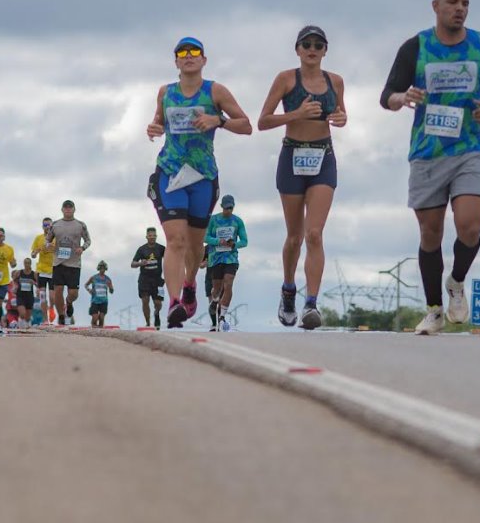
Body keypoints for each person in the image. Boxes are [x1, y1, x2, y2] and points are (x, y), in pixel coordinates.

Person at [380, 0, 480, 335]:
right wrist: (403, 97)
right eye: (453, 2)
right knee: (430, 233)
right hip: (428, 151)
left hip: (470, 148)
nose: (460, 9)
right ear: (435, 6)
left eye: (465, 3)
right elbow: (387, 95)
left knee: (471, 224)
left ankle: (456, 281)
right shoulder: (415, 47)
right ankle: (434, 309)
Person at [146, 36, 252, 328]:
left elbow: (246, 125)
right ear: (176, 62)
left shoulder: (215, 91)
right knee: (175, 240)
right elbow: (158, 122)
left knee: (194, 246)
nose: (188, 56)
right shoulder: (165, 92)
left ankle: (190, 283)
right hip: (170, 173)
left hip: (203, 176)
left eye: (194, 52)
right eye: (182, 53)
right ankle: (174, 303)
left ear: (204, 60)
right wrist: (154, 128)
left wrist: (219, 120)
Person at [256, 25, 348, 330]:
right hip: (292, 156)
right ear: (297, 49)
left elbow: (341, 114)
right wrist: (296, 114)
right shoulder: (285, 79)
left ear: (325, 51)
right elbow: (263, 121)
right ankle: (288, 290)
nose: (312, 49)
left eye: (318, 45)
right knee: (294, 237)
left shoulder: (335, 81)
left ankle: (311, 303)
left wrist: (341, 118)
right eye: (306, 44)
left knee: (315, 234)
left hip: (323, 157)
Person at [204, 195, 248, 332]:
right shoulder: (213, 220)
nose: (228, 210)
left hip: (231, 259)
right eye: (226, 208)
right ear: (221, 207)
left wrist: (234, 244)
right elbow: (205, 237)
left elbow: (245, 241)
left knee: (228, 284)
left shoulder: (237, 221)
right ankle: (214, 300)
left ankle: (222, 316)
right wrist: (218, 241)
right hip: (215, 259)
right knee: (216, 289)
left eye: (230, 208)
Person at [49, 200, 91, 326]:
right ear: (62, 210)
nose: (68, 209)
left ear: (74, 209)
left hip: (74, 263)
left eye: (70, 207)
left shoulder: (80, 225)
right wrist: (49, 245)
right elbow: (47, 240)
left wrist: (82, 248)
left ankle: (69, 302)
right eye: (65, 207)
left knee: (73, 293)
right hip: (58, 262)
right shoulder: (55, 224)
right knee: (58, 290)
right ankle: (61, 315)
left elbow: (88, 240)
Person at [131, 227, 167, 328]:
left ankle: (156, 313)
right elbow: (132, 264)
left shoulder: (161, 248)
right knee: (145, 301)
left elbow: (171, 257)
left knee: (158, 303)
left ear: (156, 236)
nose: (152, 237)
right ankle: (147, 323)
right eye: (150, 236)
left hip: (158, 280)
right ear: (146, 237)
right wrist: (140, 263)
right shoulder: (141, 249)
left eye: (154, 236)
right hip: (144, 279)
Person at [30, 217, 56, 325]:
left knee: (52, 296)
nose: (47, 227)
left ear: (52, 226)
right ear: (42, 227)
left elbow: (62, 252)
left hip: (54, 270)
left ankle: (52, 308)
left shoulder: (56, 238)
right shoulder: (38, 238)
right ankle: (45, 319)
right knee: (42, 296)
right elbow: (32, 254)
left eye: (49, 225)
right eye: (45, 225)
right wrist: (35, 252)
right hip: (41, 270)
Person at [85, 262, 115, 328]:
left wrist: (110, 288)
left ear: (105, 269)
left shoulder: (108, 279)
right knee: (95, 318)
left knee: (101, 318)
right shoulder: (93, 277)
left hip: (104, 301)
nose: (102, 270)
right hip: (95, 300)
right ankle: (93, 326)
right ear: (98, 268)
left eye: (104, 268)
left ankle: (101, 330)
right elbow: (86, 285)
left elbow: (111, 291)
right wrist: (89, 290)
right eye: (101, 268)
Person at [13, 257, 38, 328]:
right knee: (22, 314)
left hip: (29, 296)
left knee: (27, 317)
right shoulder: (19, 272)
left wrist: (33, 282)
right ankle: (20, 326)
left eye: (28, 263)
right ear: (23, 264)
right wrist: (15, 287)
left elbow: (38, 285)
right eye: (25, 263)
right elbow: (14, 281)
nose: (27, 265)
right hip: (20, 295)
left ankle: (25, 328)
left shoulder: (34, 274)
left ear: (30, 264)